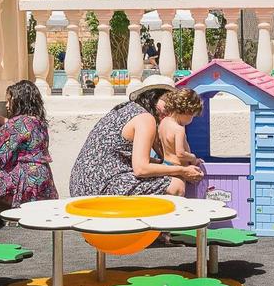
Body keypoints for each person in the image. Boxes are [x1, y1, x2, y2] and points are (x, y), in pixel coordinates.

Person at [69, 75, 203, 197]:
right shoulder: (145, 118)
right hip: (98, 186)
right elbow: (141, 169)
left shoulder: (127, 109)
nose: (170, 108)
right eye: (167, 101)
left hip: (81, 183)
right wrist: (182, 170)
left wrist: (164, 164)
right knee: (176, 185)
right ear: (153, 96)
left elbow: (126, 157)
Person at [0, 80, 59, 214]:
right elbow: (9, 125)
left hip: (26, 176)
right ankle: (23, 207)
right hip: (43, 176)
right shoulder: (36, 121)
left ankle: (20, 206)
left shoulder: (20, 122)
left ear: (19, 101)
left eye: (9, 100)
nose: (6, 105)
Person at [157, 88, 204, 196]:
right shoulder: (179, 129)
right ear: (187, 111)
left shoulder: (164, 122)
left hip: (166, 166)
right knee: (179, 197)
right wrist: (193, 158)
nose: (192, 120)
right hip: (177, 170)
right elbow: (180, 153)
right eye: (192, 116)